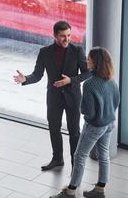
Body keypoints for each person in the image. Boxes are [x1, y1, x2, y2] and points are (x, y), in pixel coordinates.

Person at [13, 21, 90, 171]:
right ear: (54, 35)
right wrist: (25, 79)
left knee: (74, 131)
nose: (67, 39)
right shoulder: (45, 52)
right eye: (62, 36)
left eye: (69, 35)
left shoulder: (77, 50)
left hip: (73, 97)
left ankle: (76, 165)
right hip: (54, 98)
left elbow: (87, 73)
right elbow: (37, 75)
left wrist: (71, 80)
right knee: (54, 129)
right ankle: (57, 159)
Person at [50, 47, 120, 198]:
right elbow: (116, 102)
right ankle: (100, 189)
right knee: (104, 154)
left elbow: (87, 111)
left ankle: (70, 191)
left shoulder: (89, 84)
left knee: (79, 156)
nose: (87, 61)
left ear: (95, 63)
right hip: (109, 124)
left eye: (89, 59)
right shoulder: (112, 81)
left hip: (94, 126)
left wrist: (87, 115)